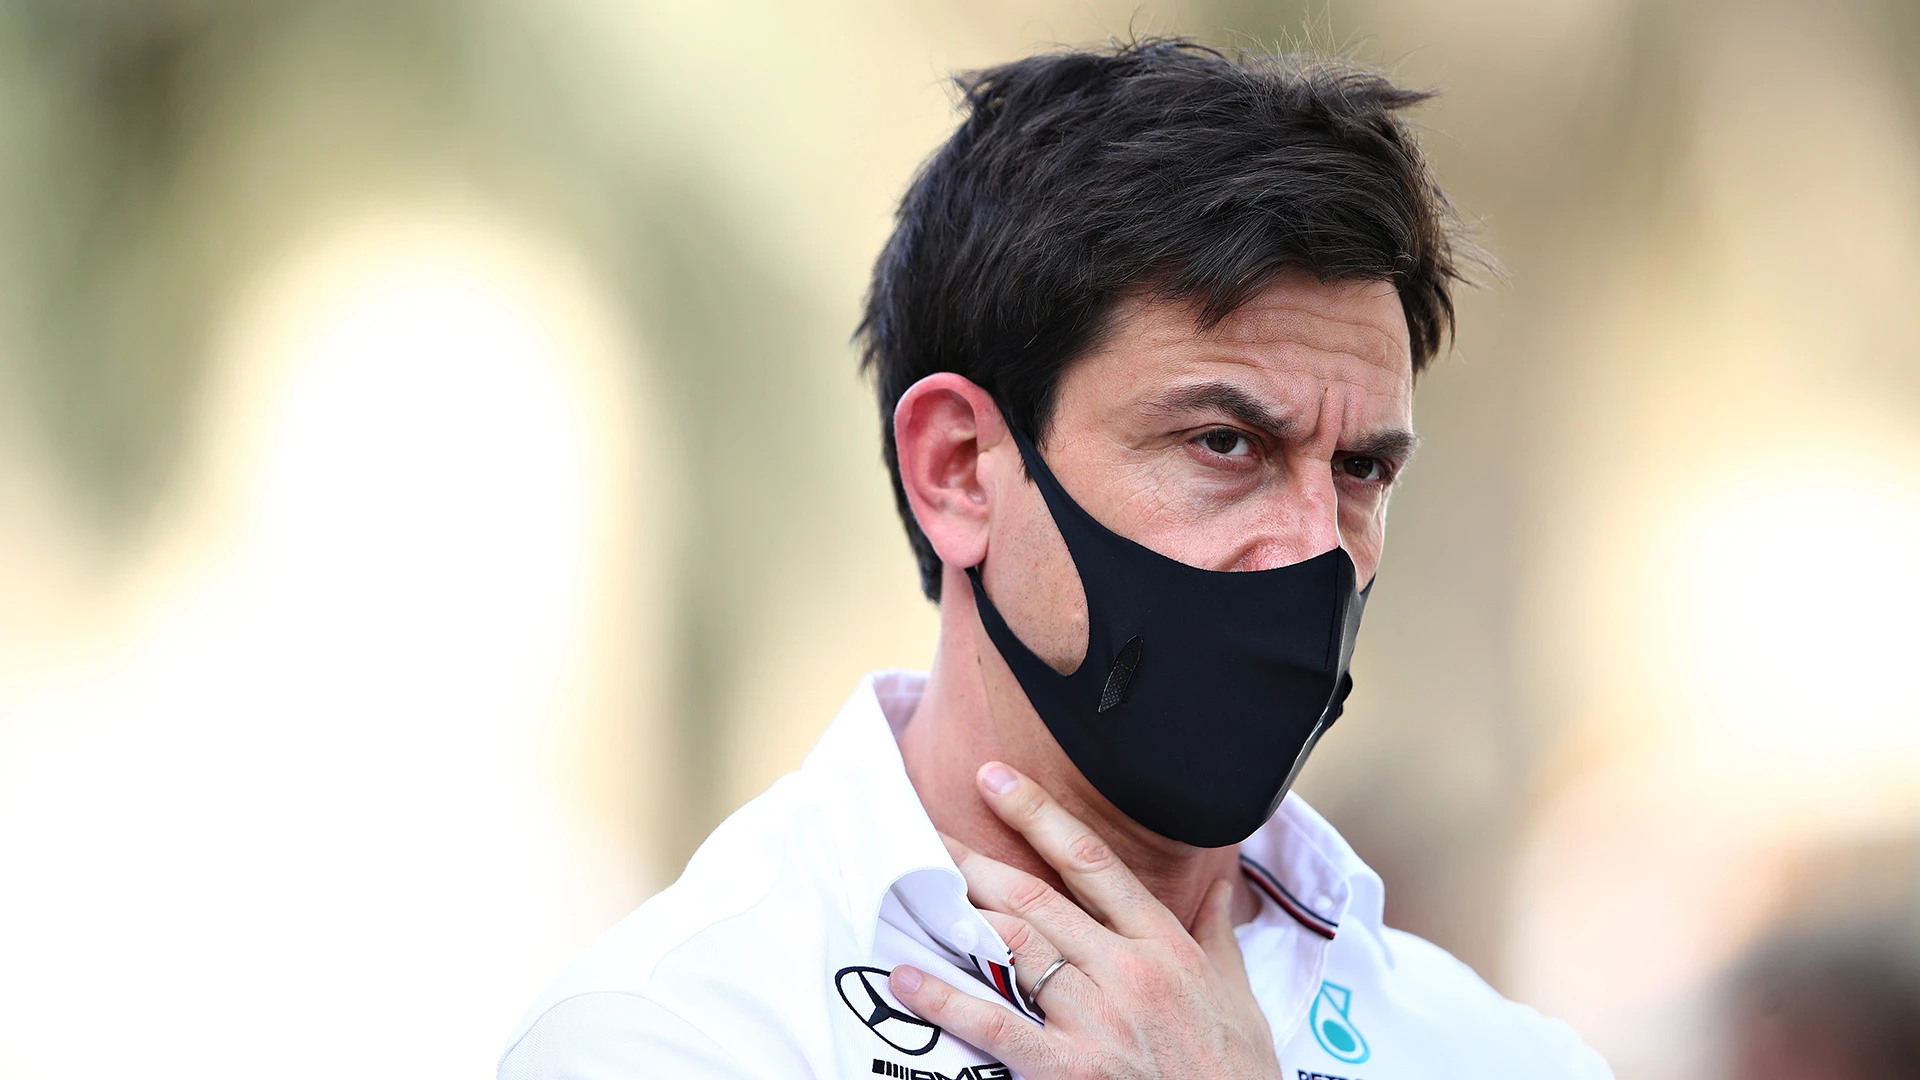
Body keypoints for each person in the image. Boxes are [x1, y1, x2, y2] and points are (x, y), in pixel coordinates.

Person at [500, 38, 1611, 1079]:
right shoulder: (687, 1029)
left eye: (1363, 470)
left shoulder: (1498, 1052)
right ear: (960, 471)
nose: (1318, 547)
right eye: (1226, 444)